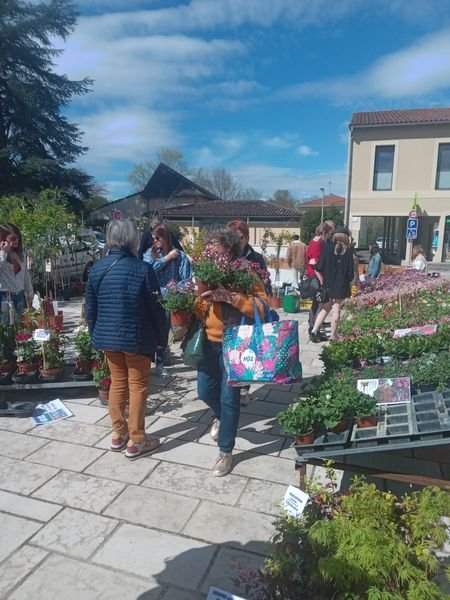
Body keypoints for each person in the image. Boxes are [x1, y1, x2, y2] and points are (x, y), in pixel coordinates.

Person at [86, 219, 168, 460]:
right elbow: (157, 309)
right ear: (133, 240)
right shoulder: (143, 269)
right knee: (138, 387)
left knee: (117, 383)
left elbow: (90, 309)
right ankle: (137, 440)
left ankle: (118, 434)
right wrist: (162, 338)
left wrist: (95, 335)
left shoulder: (97, 269)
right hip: (137, 339)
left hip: (107, 338)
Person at [195, 225, 269, 477]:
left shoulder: (245, 271)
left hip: (237, 343)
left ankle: (225, 451)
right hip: (208, 340)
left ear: (227, 247)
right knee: (204, 391)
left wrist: (232, 298)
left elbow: (262, 306)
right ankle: (221, 418)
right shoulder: (205, 271)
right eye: (208, 245)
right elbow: (197, 304)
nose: (209, 249)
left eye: (214, 244)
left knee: (230, 398)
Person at [143, 223, 192, 377]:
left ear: (165, 237)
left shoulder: (180, 256)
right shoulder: (150, 254)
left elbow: (187, 279)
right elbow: (148, 270)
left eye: (158, 238)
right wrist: (166, 258)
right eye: (153, 238)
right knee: (155, 332)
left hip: (172, 299)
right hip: (154, 299)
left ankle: (162, 361)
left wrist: (176, 289)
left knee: (167, 333)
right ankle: (155, 361)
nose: (155, 241)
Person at [309, 227, 354, 343]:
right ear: (346, 237)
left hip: (328, 285)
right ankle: (333, 336)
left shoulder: (327, 248)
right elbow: (350, 274)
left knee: (325, 308)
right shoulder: (348, 252)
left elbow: (319, 267)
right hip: (341, 286)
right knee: (336, 310)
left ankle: (314, 330)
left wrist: (314, 264)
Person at [227, 220, 273, 295]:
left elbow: (266, 287)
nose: (237, 241)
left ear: (247, 238)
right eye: (233, 238)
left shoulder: (257, 258)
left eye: (241, 238)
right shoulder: (223, 258)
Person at [305, 222, 333, 335]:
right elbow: (316, 265)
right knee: (320, 302)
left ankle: (313, 324)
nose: (328, 237)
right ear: (324, 233)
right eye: (328, 234)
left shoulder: (312, 242)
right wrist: (322, 280)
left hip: (312, 275)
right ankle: (314, 327)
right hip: (316, 277)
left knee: (316, 302)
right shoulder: (317, 245)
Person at [0, 223, 33, 317]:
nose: (16, 241)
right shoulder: (1, 255)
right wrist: (3, 252)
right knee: (6, 327)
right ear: (3, 239)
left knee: (20, 325)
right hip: (4, 296)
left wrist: (30, 294)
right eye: (13, 238)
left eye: (18, 237)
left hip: (19, 294)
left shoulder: (20, 254)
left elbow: (26, 275)